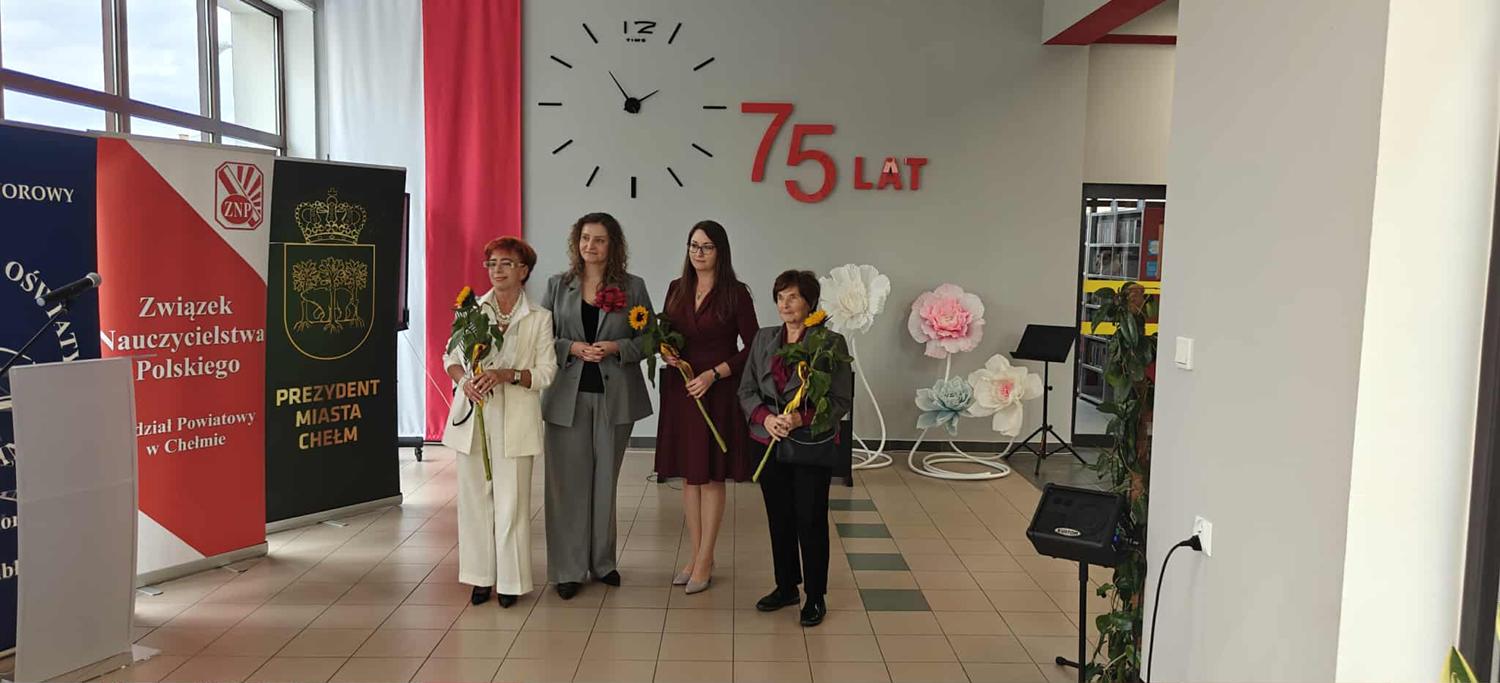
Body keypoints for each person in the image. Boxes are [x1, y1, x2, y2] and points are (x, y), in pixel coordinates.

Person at [540, 212, 654, 600]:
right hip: (566, 399)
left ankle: (602, 562)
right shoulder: (558, 286)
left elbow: (649, 339)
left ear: (613, 245)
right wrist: (570, 347)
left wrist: (617, 347)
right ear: (577, 242)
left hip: (615, 398)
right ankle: (568, 569)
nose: (591, 245)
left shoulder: (633, 287)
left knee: (605, 482)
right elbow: (541, 339)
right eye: (585, 238)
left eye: (600, 239)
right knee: (566, 486)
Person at [441, 236, 556, 609]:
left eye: (506, 263)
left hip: (517, 419)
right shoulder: (471, 310)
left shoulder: (539, 317)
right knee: (475, 502)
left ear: (524, 271)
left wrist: (509, 375)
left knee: (512, 504)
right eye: (491, 263)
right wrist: (464, 381)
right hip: (474, 417)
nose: (497, 270)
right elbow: (450, 358)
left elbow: (547, 372)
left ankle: (511, 581)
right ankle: (480, 577)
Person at [738, 270, 853, 627]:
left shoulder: (830, 343)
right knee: (780, 517)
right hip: (768, 442)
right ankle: (786, 585)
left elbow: (840, 400)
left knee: (811, 518)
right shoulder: (764, 338)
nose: (785, 304)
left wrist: (800, 419)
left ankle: (815, 595)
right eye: (780, 297)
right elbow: (746, 390)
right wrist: (766, 418)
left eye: (793, 297)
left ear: (810, 302)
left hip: (809, 443)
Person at [654, 221, 759, 594]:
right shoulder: (676, 288)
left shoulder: (736, 294)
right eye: (693, 245)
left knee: (712, 475)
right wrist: (666, 352)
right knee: (689, 474)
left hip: (716, 390)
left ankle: (705, 557)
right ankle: (698, 555)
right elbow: (664, 335)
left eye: (707, 247)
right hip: (683, 389)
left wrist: (715, 374)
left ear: (720, 251)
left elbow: (753, 347)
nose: (698, 253)